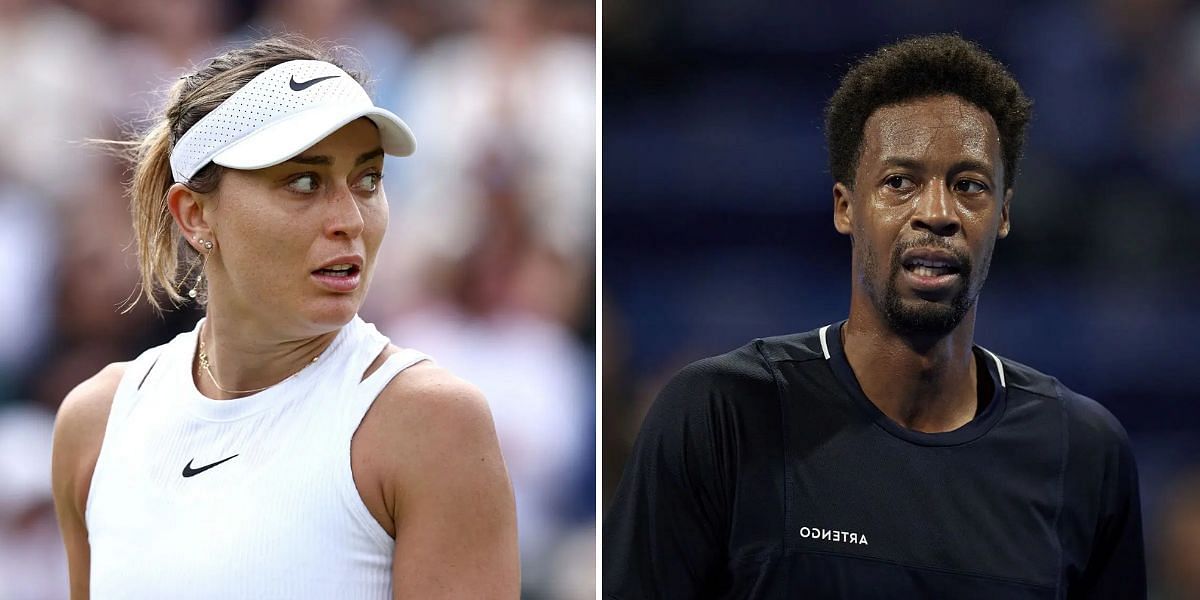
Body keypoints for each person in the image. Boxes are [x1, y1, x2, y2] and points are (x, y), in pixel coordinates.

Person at [604, 34, 1145, 598]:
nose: (936, 212)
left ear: (1003, 214)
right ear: (846, 207)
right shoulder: (722, 415)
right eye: (900, 183)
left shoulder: (1084, 452)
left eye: (969, 186)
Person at [49, 37, 519, 599]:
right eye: (304, 183)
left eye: (368, 180)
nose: (350, 219)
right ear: (195, 215)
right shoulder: (94, 423)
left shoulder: (433, 424)